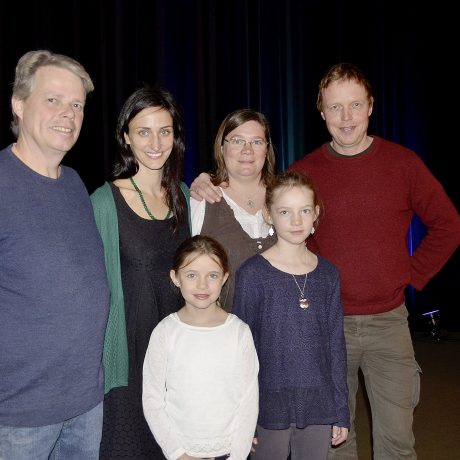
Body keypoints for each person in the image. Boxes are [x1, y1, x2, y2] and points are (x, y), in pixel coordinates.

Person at [191, 62, 460, 459]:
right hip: (322, 324)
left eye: (355, 105)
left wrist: (408, 275)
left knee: (398, 442)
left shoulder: (403, 164)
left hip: (389, 323)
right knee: (336, 442)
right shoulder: (305, 172)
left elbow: (448, 225)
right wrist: (205, 182)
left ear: (371, 106)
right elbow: (276, 220)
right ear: (322, 113)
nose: (346, 117)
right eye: (335, 107)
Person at [0, 50, 109, 459]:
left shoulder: (74, 183)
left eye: (77, 105)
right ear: (18, 104)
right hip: (19, 416)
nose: (68, 113)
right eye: (53, 100)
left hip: (85, 403)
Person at [91, 85, 191, 459]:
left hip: (176, 363)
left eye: (164, 131)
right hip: (128, 363)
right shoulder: (105, 202)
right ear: (126, 137)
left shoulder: (185, 197)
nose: (155, 143)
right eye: (144, 131)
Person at [232, 170, 349, 460]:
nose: (296, 221)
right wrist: (242, 418)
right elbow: (240, 351)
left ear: (315, 214)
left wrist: (341, 410)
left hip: (319, 403)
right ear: (269, 215)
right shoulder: (253, 274)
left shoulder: (328, 274)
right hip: (268, 404)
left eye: (304, 211)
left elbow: (335, 347)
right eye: (285, 212)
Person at [142, 235, 259, 460]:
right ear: (175, 277)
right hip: (180, 453)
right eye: (192, 275)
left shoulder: (239, 333)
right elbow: (152, 399)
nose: (202, 285)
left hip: (229, 452)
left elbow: (248, 401)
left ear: (224, 278)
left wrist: (237, 456)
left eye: (212, 275)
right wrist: (178, 453)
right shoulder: (164, 332)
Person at [190, 109, 277, 311]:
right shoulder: (203, 201)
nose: (247, 150)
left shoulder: (284, 199)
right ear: (222, 148)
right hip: (221, 328)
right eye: (237, 141)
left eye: (256, 142)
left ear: (267, 149)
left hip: (281, 327)